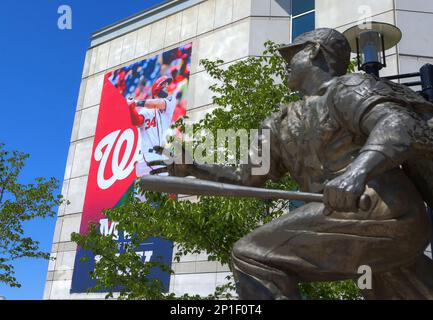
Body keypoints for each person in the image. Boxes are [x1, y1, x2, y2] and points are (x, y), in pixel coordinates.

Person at [149, 28, 433, 299]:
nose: (285, 63)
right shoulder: (279, 122)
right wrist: (195, 167)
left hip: (378, 209)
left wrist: (356, 173)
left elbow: (398, 123)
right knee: (400, 289)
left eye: (291, 56)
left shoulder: (348, 88)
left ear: (313, 52)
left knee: (250, 255)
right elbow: (246, 176)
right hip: (358, 227)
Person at [127, 75, 177, 178]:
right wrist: (131, 108)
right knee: (170, 180)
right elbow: (137, 121)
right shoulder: (146, 110)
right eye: (165, 84)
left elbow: (157, 103)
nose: (167, 86)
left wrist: (136, 102)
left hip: (157, 156)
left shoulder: (170, 101)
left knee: (150, 192)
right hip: (148, 156)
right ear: (158, 87)